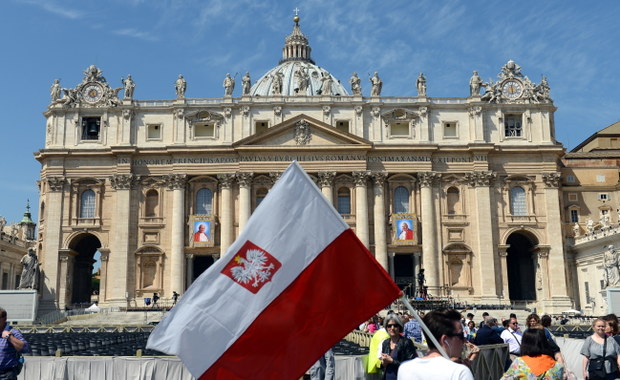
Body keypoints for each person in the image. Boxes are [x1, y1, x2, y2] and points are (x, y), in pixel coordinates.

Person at [397, 308, 473, 380]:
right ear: (444, 340)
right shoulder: (460, 372)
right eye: (461, 335)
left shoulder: (404, 368)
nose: (464, 340)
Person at [378, 314, 416, 380]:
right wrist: (383, 363)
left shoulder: (406, 342)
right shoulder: (385, 343)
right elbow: (383, 367)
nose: (392, 328)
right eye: (389, 326)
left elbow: (411, 366)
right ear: (386, 328)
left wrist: (392, 361)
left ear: (399, 327)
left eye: (395, 325)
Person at [0, 307, 29, 379]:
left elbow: (25, 348)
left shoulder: (13, 332)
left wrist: (10, 337)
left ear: (4, 319)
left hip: (6, 374)